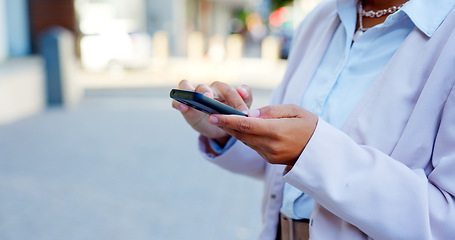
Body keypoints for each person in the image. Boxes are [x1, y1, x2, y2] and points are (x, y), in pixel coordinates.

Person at [172, 0, 455, 239]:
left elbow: (446, 221)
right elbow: (282, 162)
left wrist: (314, 151)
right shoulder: (323, 18)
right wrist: (226, 128)